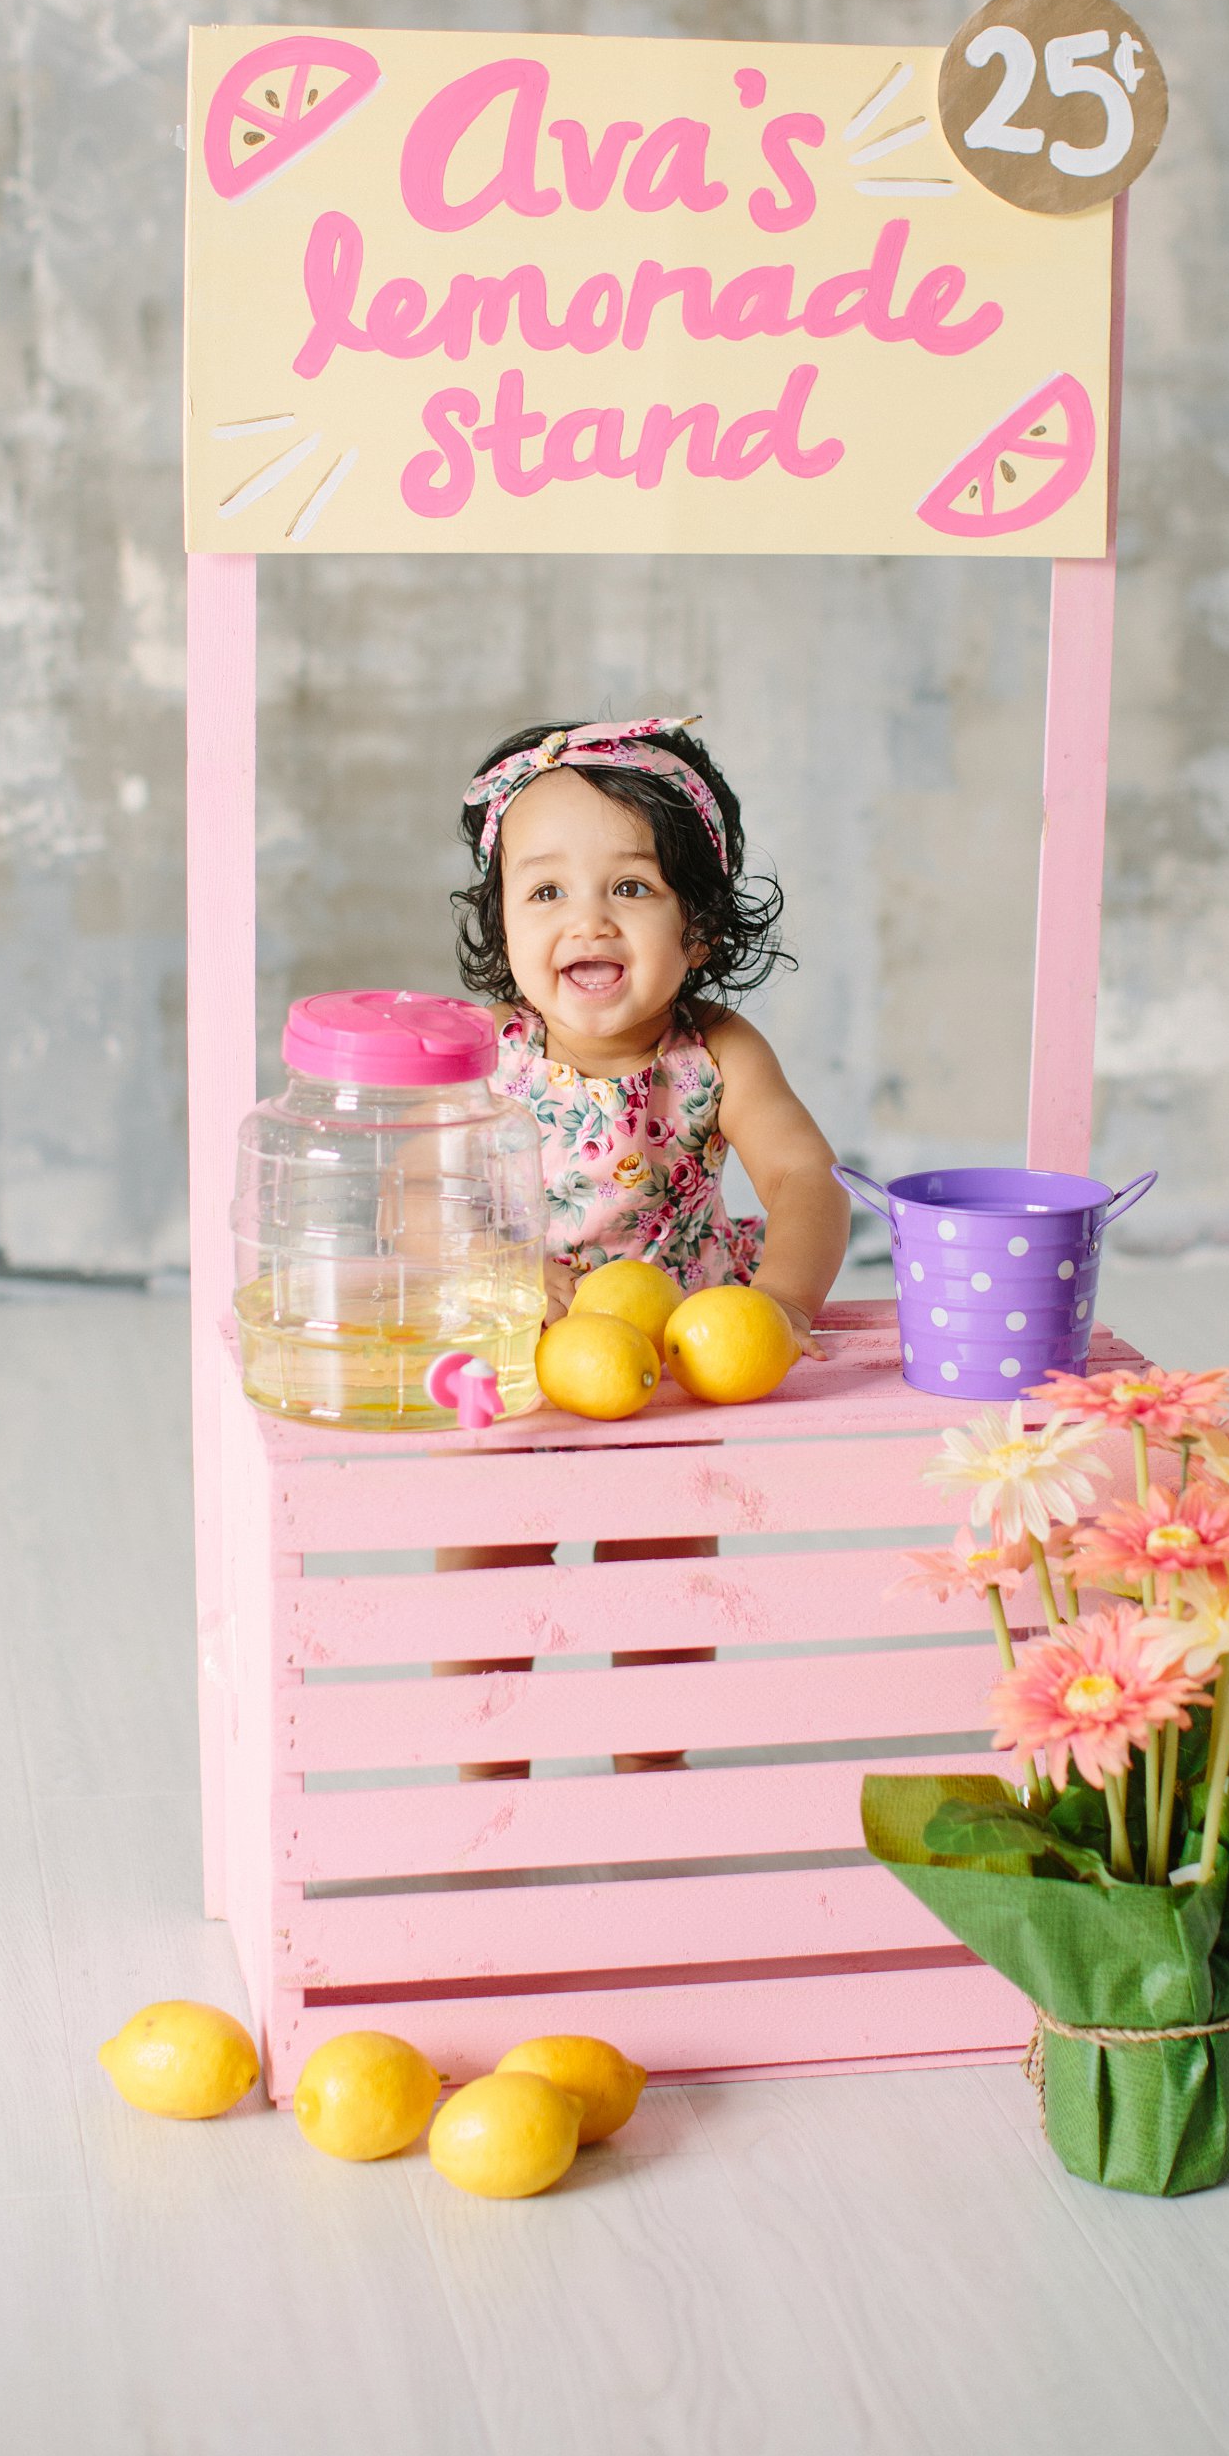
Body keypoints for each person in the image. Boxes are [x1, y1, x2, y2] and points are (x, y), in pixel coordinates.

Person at [438, 715, 848, 1773]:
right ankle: (485, 1776)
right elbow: (418, 1193)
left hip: (678, 1358)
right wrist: (499, 1272)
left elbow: (803, 1178)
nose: (589, 920)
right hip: (523, 1352)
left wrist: (786, 1304)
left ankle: (649, 1776)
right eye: (545, 892)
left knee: (659, 1583)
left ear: (698, 929)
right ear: (503, 927)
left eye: (629, 888)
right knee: (493, 1573)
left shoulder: (715, 1051)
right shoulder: (484, 1055)